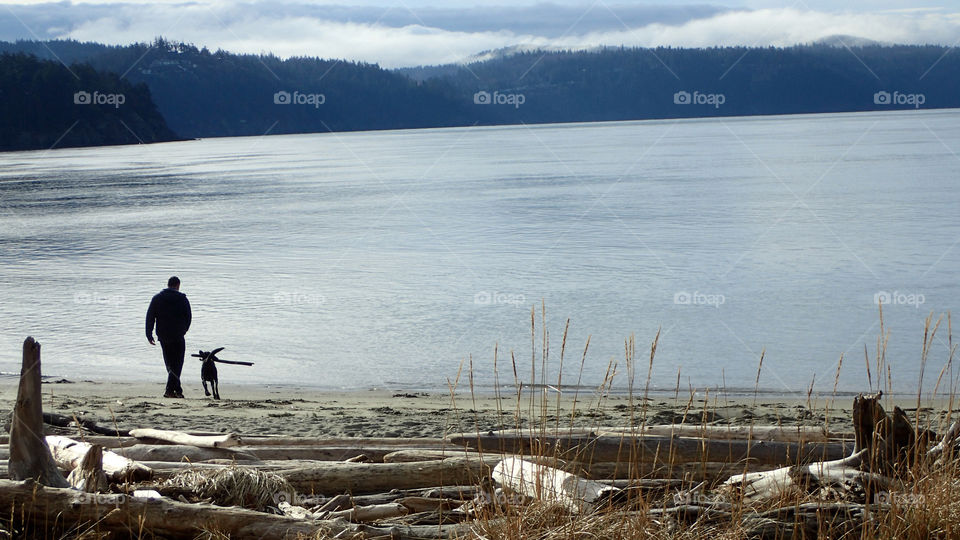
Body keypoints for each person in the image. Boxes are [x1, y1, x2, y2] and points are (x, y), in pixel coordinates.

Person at [145, 276, 192, 398]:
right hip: (177, 335)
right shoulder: (182, 299)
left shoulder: (157, 298)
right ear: (177, 285)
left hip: (163, 335)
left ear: (168, 284)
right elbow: (188, 316)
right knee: (178, 363)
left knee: (170, 363)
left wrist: (148, 334)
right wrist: (185, 329)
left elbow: (150, 317)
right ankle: (170, 390)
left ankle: (176, 390)